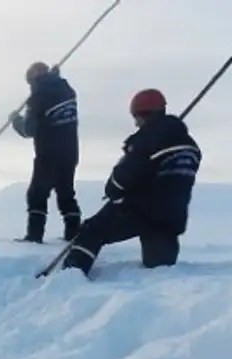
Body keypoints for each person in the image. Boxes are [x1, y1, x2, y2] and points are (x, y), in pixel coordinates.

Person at [62, 88, 202, 276]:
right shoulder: (190, 147)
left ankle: (71, 275)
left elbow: (124, 176)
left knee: (92, 230)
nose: (136, 123)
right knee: (160, 269)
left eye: (135, 117)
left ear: (142, 114)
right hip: (172, 216)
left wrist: (113, 189)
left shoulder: (148, 139)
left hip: (140, 209)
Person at [9, 61, 82, 243]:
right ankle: (73, 234)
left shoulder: (38, 97)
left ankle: (34, 236)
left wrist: (15, 120)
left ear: (34, 79)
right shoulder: (67, 90)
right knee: (66, 193)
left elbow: (29, 130)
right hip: (70, 152)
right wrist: (55, 76)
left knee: (37, 194)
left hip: (48, 153)